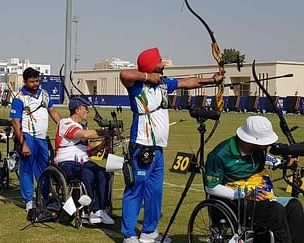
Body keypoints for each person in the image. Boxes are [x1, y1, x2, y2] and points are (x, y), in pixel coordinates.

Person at [120, 47, 224, 243]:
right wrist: (147, 76)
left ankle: (149, 232)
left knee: (155, 192)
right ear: (151, 65)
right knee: (135, 190)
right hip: (142, 146)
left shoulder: (164, 84)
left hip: (158, 149)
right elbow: (124, 74)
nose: (163, 62)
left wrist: (212, 80)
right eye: (159, 60)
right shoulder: (136, 87)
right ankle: (129, 235)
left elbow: (188, 82)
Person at [204, 116, 303, 243]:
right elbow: (211, 187)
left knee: (294, 206)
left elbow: (266, 158)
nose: (267, 145)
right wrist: (243, 194)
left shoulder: (257, 150)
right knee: (275, 211)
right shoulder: (219, 155)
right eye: (264, 143)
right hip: (236, 200)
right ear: (250, 141)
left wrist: (283, 163)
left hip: (262, 194)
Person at [54, 97, 115, 225]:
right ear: (77, 110)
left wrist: (105, 143)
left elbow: (90, 151)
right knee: (87, 174)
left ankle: (99, 210)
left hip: (83, 160)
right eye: (85, 108)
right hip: (66, 161)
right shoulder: (65, 123)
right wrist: (105, 132)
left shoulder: (81, 126)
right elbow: (84, 135)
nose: (87, 110)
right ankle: (90, 210)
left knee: (103, 173)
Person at [10, 67, 61, 214]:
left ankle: (46, 196)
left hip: (41, 138)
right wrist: (23, 143)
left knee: (44, 169)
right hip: (28, 136)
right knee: (26, 169)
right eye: (32, 81)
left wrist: (65, 127)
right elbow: (15, 122)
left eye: (37, 81)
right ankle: (29, 200)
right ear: (25, 81)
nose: (35, 84)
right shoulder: (19, 98)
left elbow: (53, 112)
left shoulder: (44, 94)